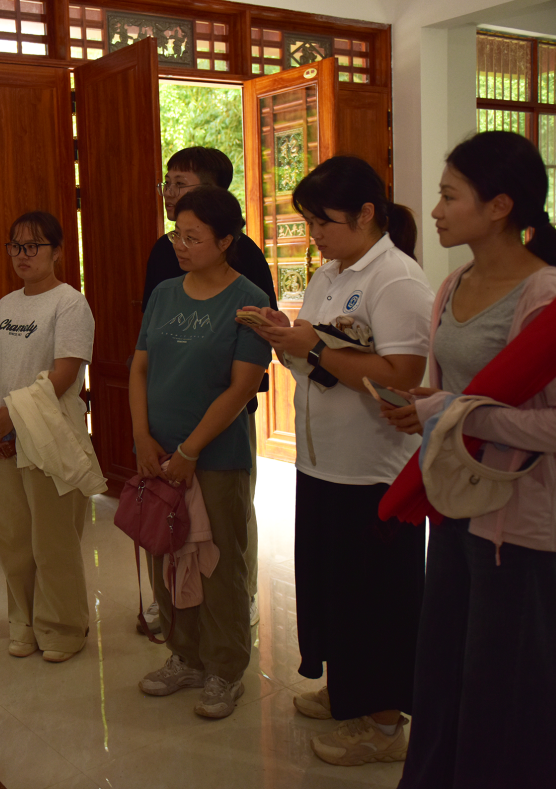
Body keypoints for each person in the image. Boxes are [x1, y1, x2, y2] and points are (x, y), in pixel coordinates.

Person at [383, 131, 556, 788]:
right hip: (457, 506)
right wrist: (428, 407)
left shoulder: (546, 296)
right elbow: (458, 394)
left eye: (450, 196)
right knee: (444, 676)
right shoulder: (454, 283)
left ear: (500, 206)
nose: (435, 211)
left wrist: (458, 412)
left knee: (505, 696)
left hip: (519, 528)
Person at [243, 156, 432, 764]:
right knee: (336, 593)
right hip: (322, 464)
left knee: (378, 602)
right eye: (310, 221)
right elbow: (316, 356)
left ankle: (383, 727)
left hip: (373, 471)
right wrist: (286, 336)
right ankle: (349, 691)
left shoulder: (396, 280)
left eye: (323, 221)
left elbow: (401, 376)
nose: (315, 233)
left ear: (366, 213)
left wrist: (317, 348)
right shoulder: (329, 274)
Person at [131, 187, 270, 719]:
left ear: (226, 241)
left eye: (194, 238)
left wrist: (190, 450)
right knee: (165, 556)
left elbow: (242, 387)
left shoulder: (249, 301)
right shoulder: (165, 293)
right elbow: (140, 367)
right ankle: (184, 656)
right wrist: (142, 436)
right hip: (159, 452)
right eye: (177, 235)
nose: (180, 246)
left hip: (216, 456)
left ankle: (225, 669)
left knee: (218, 563)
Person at [0, 211, 96, 664]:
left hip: (48, 434)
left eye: (33, 246)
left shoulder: (70, 303)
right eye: (15, 246)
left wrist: (13, 415)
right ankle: (23, 623)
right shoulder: (5, 305)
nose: (22, 255)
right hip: (4, 434)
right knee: (11, 537)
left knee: (52, 540)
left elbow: (65, 374)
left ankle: (63, 627)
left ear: (58, 251)